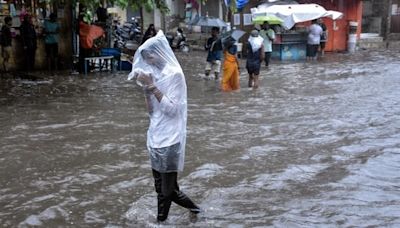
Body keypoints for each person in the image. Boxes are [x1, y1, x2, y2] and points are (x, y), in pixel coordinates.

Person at [128, 30, 201, 222]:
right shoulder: (155, 74)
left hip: (171, 138)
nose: (149, 61)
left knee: (167, 191)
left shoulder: (174, 74)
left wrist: (152, 86)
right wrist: (146, 90)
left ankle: (161, 222)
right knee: (163, 188)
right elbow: (152, 112)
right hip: (155, 135)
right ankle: (196, 211)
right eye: (146, 58)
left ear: (159, 51)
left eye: (150, 56)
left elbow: (171, 110)